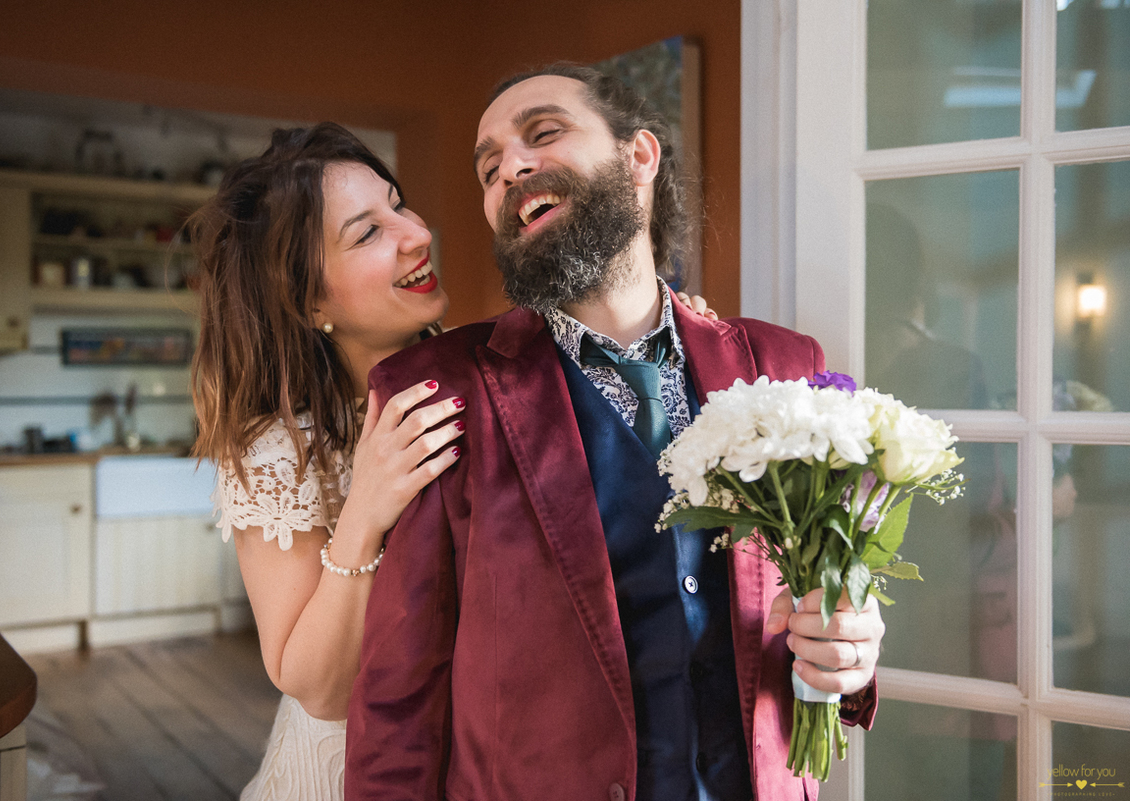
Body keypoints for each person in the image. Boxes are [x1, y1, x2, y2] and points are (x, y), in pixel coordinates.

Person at [345, 65, 885, 801]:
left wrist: (847, 658)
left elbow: (818, 618)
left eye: (542, 133)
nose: (511, 168)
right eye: (489, 167)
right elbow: (398, 704)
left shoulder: (785, 366)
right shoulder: (441, 391)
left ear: (639, 159)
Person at [188, 122, 719, 801]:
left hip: (487, 758)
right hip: (350, 772)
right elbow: (315, 686)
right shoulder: (276, 449)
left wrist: (658, 336)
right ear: (309, 300)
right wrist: (367, 507)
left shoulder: (485, 377)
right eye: (368, 233)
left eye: (397, 203)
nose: (416, 232)